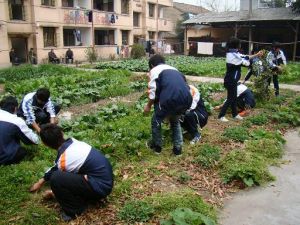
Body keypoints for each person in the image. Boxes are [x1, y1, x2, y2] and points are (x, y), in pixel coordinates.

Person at [30, 124, 113, 221]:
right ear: (62, 133)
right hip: (105, 180)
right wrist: (41, 181)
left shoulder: (64, 160)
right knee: (63, 175)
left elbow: (56, 170)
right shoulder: (75, 142)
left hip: (100, 187)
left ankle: (74, 210)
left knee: (56, 178)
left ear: (45, 144)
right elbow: (56, 166)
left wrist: (52, 191)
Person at [144, 54, 192, 155]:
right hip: (186, 99)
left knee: (156, 121)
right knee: (175, 121)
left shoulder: (154, 70)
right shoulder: (174, 69)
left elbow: (153, 92)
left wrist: (148, 106)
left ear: (152, 65)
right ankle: (178, 150)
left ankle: (157, 147)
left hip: (170, 99)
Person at [218, 37, 262, 122]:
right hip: (230, 80)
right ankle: (221, 115)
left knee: (233, 98)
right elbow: (245, 62)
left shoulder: (234, 53)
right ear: (236, 45)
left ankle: (235, 114)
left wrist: (256, 55)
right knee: (231, 98)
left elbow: (245, 56)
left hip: (233, 80)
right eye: (239, 44)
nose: (240, 45)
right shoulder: (232, 55)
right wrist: (254, 61)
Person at [0, 96, 39, 165]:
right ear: (15, 108)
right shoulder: (16, 121)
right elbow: (34, 140)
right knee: (22, 151)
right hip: (4, 157)